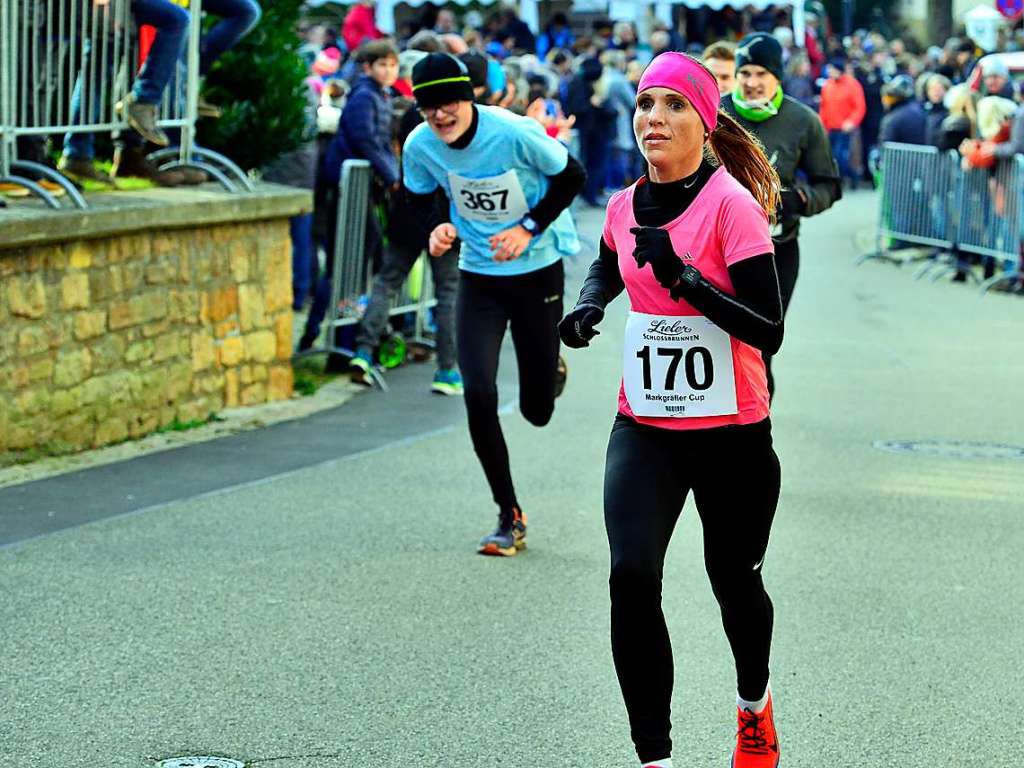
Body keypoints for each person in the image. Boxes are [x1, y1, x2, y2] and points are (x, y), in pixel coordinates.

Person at [558, 51, 785, 768]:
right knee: (631, 576)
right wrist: (591, 302)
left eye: (673, 105)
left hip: (733, 432)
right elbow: (607, 259)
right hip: (647, 425)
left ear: (704, 122)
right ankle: (653, 758)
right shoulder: (625, 203)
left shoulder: (732, 208)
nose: (653, 117)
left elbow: (768, 327)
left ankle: (754, 708)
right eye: (646, 103)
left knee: (734, 581)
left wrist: (683, 278)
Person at [401, 52, 585, 555]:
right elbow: (417, 198)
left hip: (537, 268)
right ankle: (509, 514)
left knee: (537, 410)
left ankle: (551, 370)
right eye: (429, 107)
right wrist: (435, 226)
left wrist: (526, 229)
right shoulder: (420, 146)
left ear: (470, 96)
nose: (441, 115)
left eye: (450, 102)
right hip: (479, 275)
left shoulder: (513, 132)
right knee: (477, 391)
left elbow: (573, 177)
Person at [723, 32, 841, 398]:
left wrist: (801, 200)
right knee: (721, 343)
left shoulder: (802, 120)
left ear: (777, 76)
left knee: (759, 345)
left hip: (777, 249)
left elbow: (830, 185)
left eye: (761, 73)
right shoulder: (714, 113)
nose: (752, 82)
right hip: (717, 247)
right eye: (745, 73)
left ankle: (754, 429)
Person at [300, 40, 401, 369]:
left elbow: (380, 141)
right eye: (381, 64)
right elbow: (366, 139)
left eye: (392, 64)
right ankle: (319, 335)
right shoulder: (364, 95)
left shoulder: (379, 95)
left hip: (361, 186)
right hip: (347, 187)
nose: (388, 70)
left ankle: (335, 332)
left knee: (359, 256)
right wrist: (392, 176)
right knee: (345, 259)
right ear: (368, 67)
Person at [818, 57, 866, 188]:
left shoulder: (852, 84)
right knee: (832, 157)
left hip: (845, 128)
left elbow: (860, 106)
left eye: (831, 69)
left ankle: (850, 177)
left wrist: (851, 122)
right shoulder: (828, 85)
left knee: (840, 156)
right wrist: (822, 125)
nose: (829, 71)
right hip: (831, 128)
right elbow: (824, 107)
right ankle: (845, 179)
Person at [878, 75, 927, 146]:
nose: (884, 100)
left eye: (888, 96)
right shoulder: (920, 110)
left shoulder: (892, 118)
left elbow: (886, 146)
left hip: (899, 155)